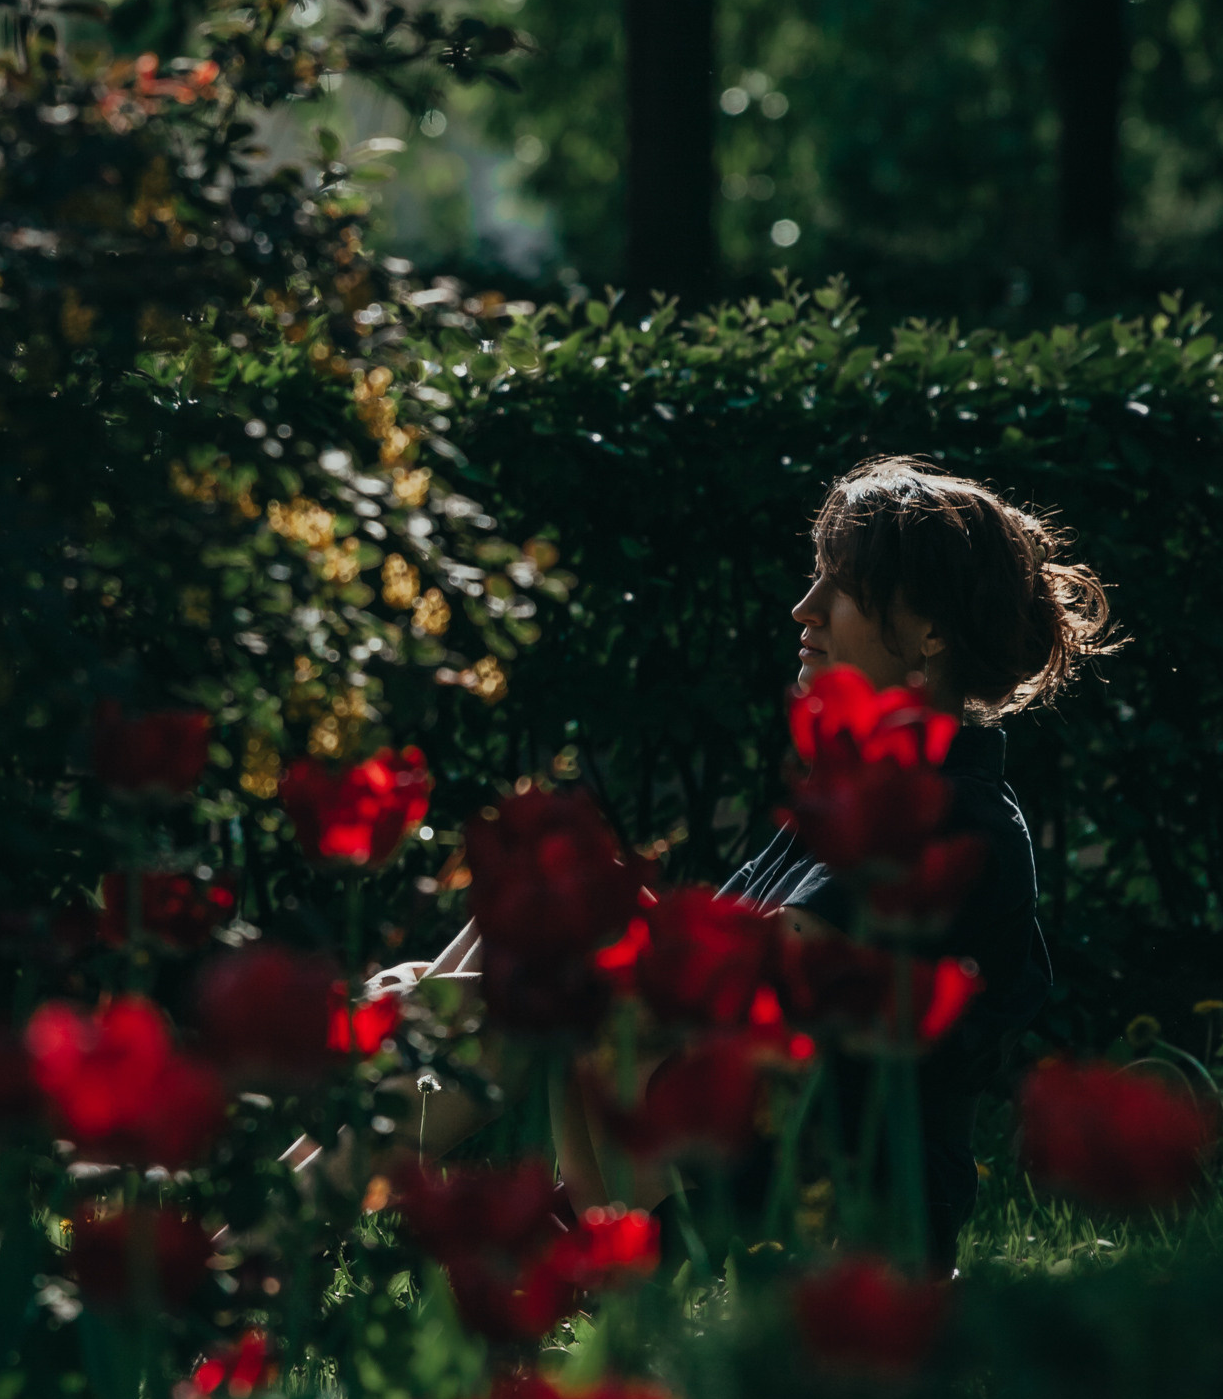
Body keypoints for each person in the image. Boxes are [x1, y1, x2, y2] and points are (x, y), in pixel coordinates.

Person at [374, 454, 1115, 1270]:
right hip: (714, 1165)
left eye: (840, 586)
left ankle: (291, 1232)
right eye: (814, 576)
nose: (805, 608)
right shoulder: (854, 793)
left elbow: (722, 1001)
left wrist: (458, 997)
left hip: (823, 1224)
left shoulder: (949, 816)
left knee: (550, 966)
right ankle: (295, 1212)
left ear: (931, 631)